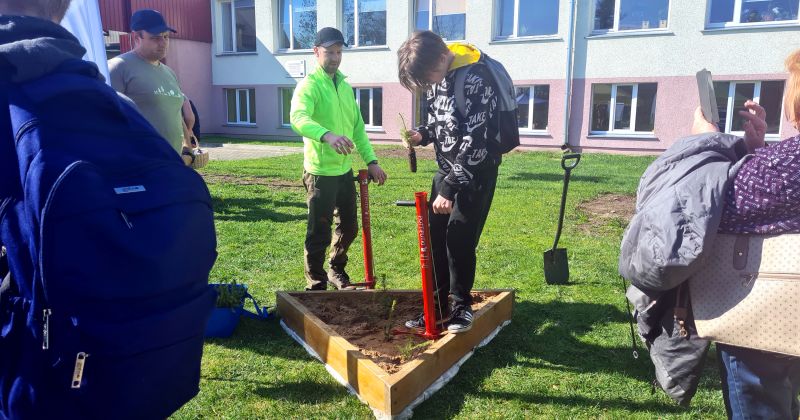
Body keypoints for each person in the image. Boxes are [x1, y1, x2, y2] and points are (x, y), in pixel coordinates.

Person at [690, 50, 800, 420]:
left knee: (762, 402)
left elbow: (713, 208)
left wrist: (704, 141)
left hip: (764, 319)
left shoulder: (785, 164)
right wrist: (758, 151)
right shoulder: (780, 164)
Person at [396, 30, 510, 333]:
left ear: (439, 58)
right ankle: (436, 308)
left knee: (459, 240)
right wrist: (423, 133)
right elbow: (441, 121)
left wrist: (449, 189)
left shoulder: (476, 78)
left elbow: (476, 139)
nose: (427, 84)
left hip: (475, 174)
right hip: (446, 171)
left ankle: (461, 307)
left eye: (426, 76)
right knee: (434, 242)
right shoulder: (439, 78)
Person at [290, 27, 387, 291]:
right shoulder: (308, 86)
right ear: (316, 52)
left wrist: (372, 161)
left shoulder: (344, 86)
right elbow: (298, 119)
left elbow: (357, 128)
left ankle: (335, 269)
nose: (335, 57)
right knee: (319, 232)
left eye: (338, 52)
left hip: (344, 171)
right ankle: (316, 283)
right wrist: (327, 135)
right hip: (320, 171)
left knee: (350, 227)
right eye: (329, 52)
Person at [108, 9, 195, 163]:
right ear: (136, 37)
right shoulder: (118, 67)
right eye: (155, 38)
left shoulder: (169, 73)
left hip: (172, 164)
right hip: (139, 167)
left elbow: (176, 115)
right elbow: (107, 119)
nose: (163, 43)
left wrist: (187, 149)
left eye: (166, 37)